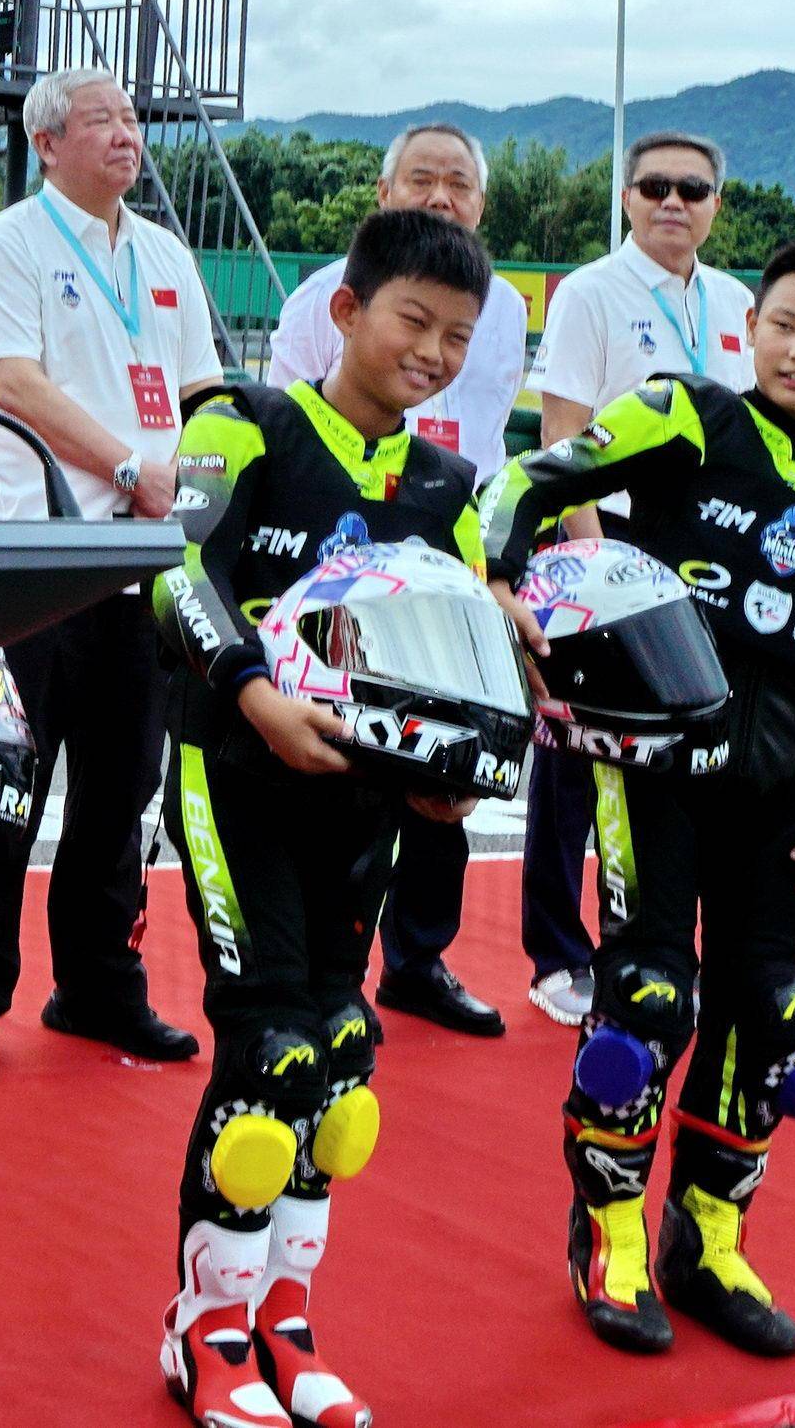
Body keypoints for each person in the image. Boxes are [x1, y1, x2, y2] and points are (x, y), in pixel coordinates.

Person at [482, 235, 795, 1362]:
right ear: (752, 326)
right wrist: (499, 585)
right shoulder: (683, 414)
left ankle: (709, 1239)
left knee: (775, 1017)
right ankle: (609, 1230)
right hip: (648, 769)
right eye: (786, 323)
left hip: (794, 796)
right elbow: (524, 481)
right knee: (648, 999)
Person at [147, 208, 497, 1428]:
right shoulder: (242, 423)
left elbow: (463, 655)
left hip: (358, 805)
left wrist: (451, 779)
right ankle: (204, 1334)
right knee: (269, 1052)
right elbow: (169, 568)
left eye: (457, 336)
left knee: (339, 1053)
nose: (432, 352)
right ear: (344, 310)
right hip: (233, 773)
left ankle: (285, 1322)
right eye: (413, 320)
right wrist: (251, 689)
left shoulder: (448, 486)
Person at [0, 67, 221, 1072]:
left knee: (121, 790)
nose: (127, 133)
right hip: (37, 557)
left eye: (132, 118)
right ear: (47, 142)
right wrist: (131, 465)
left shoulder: (165, 253)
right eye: (103, 119)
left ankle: (96, 985)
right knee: (6, 780)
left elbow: (201, 392)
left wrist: (196, 484)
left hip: (143, 561)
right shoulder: (10, 243)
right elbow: (13, 383)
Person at [265, 120, 526, 1039]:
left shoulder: (505, 310)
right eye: (422, 178)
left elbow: (491, 432)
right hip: (343, 568)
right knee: (353, 777)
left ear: (482, 204)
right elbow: (295, 434)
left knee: (447, 755)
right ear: (384, 193)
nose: (441, 196)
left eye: (460, 183)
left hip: (446, 531)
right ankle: (319, 972)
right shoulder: (323, 297)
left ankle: (419, 958)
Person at [516, 133, 755, 1028]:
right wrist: (590, 566)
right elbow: (561, 435)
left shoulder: (733, 301)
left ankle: (657, 945)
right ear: (626, 198)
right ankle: (556, 955)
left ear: (716, 204)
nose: (673, 202)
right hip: (609, 543)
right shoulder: (591, 293)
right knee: (575, 757)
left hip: (708, 553)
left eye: (692, 188)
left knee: (686, 754)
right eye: (655, 186)